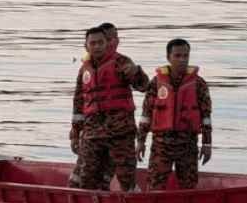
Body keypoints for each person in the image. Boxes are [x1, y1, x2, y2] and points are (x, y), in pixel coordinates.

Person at [68, 22, 148, 189]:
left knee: (127, 178)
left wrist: (136, 72)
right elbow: (78, 104)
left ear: (107, 44)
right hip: (92, 133)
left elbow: (144, 86)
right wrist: (76, 132)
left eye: (100, 43)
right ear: (86, 46)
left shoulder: (121, 62)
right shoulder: (84, 70)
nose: (97, 47)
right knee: (87, 178)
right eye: (93, 43)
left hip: (120, 132)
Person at [138, 38, 213, 191]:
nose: (182, 60)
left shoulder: (199, 84)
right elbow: (146, 114)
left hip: (188, 144)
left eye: (185, 56)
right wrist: (141, 141)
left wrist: (207, 143)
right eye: (177, 56)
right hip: (161, 144)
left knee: (189, 187)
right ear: (168, 57)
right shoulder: (156, 83)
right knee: (155, 186)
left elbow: (206, 116)